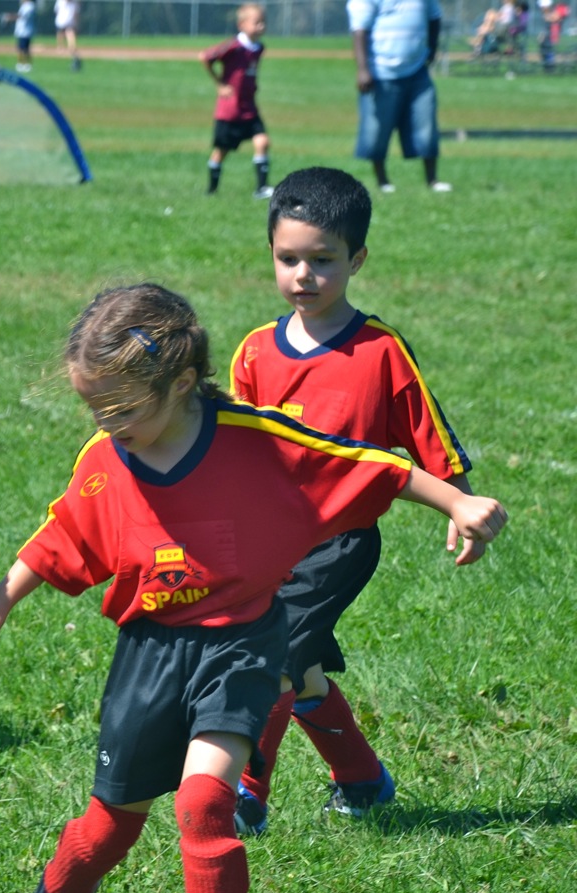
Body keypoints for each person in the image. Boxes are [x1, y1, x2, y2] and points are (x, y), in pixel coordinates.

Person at [0, 283, 506, 893]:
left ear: (179, 383)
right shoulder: (105, 460)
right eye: (94, 408)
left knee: (205, 802)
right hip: (150, 652)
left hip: (242, 641)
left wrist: (457, 499)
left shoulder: (256, 440)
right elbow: (62, 536)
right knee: (111, 825)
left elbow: (364, 465)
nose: (108, 423)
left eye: (123, 408)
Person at [228, 167, 480, 835]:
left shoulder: (380, 351)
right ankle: (363, 781)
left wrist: (464, 503)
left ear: (357, 260)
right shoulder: (255, 352)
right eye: (288, 259)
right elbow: (239, 451)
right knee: (302, 671)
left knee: (271, 659)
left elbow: (430, 435)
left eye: (323, 260)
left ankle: (244, 796)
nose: (303, 275)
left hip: (340, 544)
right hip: (270, 542)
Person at [349, 0, 451, 193]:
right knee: (377, 130)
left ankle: (432, 180)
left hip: (417, 71)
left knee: (426, 125)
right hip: (380, 73)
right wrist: (363, 69)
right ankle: (382, 181)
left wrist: (432, 49)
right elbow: (359, 30)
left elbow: (434, 17)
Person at [200, 3, 272, 199]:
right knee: (221, 151)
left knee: (263, 142)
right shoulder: (233, 46)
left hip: (249, 107)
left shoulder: (259, 48)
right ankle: (212, 190)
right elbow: (205, 57)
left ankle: (261, 188)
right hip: (230, 110)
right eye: (256, 23)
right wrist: (219, 84)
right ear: (242, 24)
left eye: (263, 22)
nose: (261, 27)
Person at [7, 0, 38, 72]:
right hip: (21, 31)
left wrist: (10, 17)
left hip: (25, 31)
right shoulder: (24, 6)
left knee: (24, 49)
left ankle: (25, 64)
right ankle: (21, 63)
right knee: (21, 48)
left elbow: (22, 16)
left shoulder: (30, 6)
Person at [54, 0, 81, 70]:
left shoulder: (74, 3)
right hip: (61, 21)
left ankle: (71, 48)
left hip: (69, 21)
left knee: (69, 35)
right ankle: (61, 48)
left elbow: (76, 14)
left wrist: (76, 23)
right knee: (61, 34)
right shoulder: (60, 2)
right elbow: (57, 11)